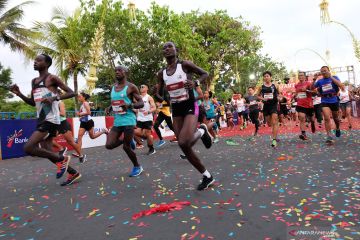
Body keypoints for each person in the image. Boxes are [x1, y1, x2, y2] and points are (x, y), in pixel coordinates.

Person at [9, 54, 80, 186]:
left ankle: (62, 158)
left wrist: (54, 98)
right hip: (42, 119)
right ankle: (72, 172)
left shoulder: (51, 78)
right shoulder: (34, 81)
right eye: (34, 60)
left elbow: (71, 92)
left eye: (38, 60)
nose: (35, 62)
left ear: (47, 64)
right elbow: (32, 102)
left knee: (29, 147)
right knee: (47, 151)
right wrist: (19, 94)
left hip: (51, 119)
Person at [156, 41, 214, 191]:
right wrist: (165, 97)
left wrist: (195, 82)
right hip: (176, 109)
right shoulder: (161, 73)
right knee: (184, 145)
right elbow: (158, 92)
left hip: (189, 105)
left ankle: (201, 129)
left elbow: (205, 74)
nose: (167, 49)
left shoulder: (185, 65)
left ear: (176, 50)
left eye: (170, 47)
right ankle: (207, 176)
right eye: (164, 48)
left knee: (183, 142)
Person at [105, 66, 145, 177]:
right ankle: (127, 140)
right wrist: (110, 107)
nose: (117, 72)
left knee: (126, 147)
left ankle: (137, 166)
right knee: (109, 145)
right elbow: (115, 102)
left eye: (119, 70)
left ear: (125, 72)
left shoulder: (131, 87)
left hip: (128, 119)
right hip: (118, 120)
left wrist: (130, 105)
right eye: (115, 71)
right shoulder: (113, 87)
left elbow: (141, 103)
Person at [313, 66, 344, 144]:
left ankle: (337, 128)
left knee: (336, 118)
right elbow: (312, 87)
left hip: (334, 100)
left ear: (328, 71)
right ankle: (329, 136)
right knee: (326, 118)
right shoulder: (320, 81)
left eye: (325, 71)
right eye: (322, 71)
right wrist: (314, 79)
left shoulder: (334, 77)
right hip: (324, 100)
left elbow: (340, 85)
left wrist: (331, 77)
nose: (324, 72)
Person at [257, 71, 280, 147]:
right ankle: (274, 133)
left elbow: (279, 94)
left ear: (270, 77)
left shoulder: (275, 85)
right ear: (263, 78)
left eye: (267, 76)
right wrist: (263, 98)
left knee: (274, 121)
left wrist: (280, 98)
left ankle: (274, 139)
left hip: (274, 105)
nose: (266, 77)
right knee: (269, 123)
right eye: (265, 76)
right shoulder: (261, 86)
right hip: (266, 106)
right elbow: (257, 96)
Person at [134, 84, 157, 155]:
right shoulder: (138, 98)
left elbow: (154, 107)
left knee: (147, 133)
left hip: (147, 118)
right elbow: (136, 108)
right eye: (140, 87)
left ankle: (151, 148)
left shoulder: (149, 97)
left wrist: (149, 111)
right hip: (140, 118)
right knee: (135, 132)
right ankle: (147, 137)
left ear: (147, 89)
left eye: (143, 87)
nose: (141, 88)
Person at [295, 71, 316, 140]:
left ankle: (312, 123)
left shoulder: (308, 83)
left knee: (312, 119)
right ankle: (303, 134)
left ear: (304, 76)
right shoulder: (297, 85)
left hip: (309, 104)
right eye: (299, 75)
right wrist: (294, 96)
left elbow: (314, 92)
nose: (300, 77)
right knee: (302, 118)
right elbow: (297, 94)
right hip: (300, 104)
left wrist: (306, 90)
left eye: (302, 75)